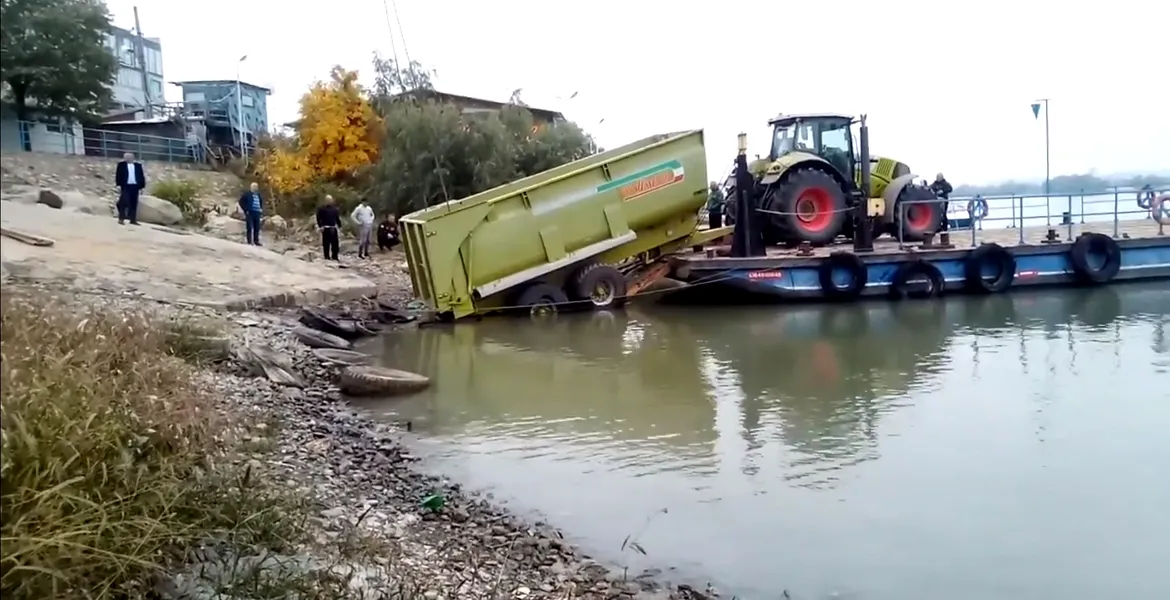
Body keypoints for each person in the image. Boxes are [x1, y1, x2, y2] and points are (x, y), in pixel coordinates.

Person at [114, 152, 146, 225]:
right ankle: (121, 218)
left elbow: (141, 176)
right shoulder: (121, 165)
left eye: (129, 157)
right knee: (123, 202)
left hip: (135, 186)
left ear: (133, 158)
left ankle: (133, 220)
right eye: (126, 157)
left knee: (134, 203)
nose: (127, 159)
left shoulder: (138, 166)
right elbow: (118, 175)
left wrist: (142, 186)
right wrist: (118, 185)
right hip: (125, 186)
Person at [316, 194, 341, 261]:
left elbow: (337, 218)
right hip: (326, 227)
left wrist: (339, 225)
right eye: (328, 200)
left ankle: (335, 256)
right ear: (325, 200)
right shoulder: (321, 209)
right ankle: (327, 256)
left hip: (333, 227)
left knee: (335, 243)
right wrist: (320, 226)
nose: (330, 201)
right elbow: (318, 218)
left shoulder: (335, 209)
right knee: (326, 243)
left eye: (330, 200)